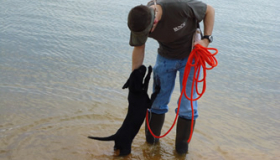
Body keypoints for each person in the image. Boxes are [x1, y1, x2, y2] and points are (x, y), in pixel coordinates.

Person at [127, 0, 215, 154]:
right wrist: (135, 78)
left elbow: (209, 10)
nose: (146, 36)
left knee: (188, 106)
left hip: (191, 56)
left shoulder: (179, 7)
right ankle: (151, 148)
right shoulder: (139, 20)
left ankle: (181, 152)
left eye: (148, 32)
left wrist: (206, 39)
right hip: (165, 57)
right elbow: (139, 48)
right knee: (157, 102)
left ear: (154, 21)